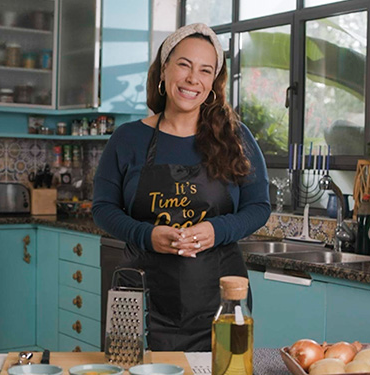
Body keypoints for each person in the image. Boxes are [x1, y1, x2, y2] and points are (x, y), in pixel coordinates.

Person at [92, 23, 271, 352]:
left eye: (205, 70)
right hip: (140, 298)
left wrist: (215, 230)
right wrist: (148, 235)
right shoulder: (127, 139)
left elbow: (259, 207)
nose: (193, 79)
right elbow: (103, 208)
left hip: (220, 302)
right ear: (164, 70)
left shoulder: (235, 137)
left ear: (213, 83)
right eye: (184, 65)